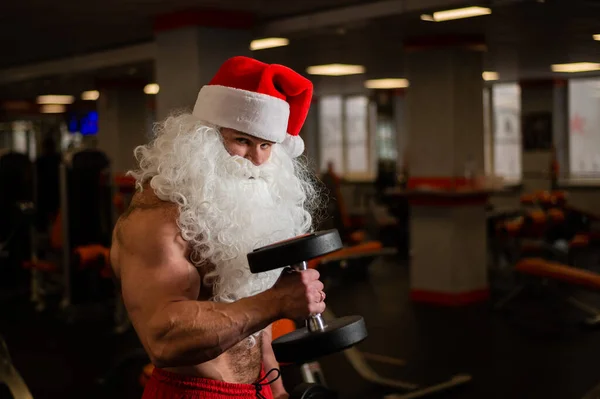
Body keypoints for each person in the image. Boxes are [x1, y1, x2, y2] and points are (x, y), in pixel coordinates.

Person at [110, 56, 326, 399]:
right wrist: (277, 300)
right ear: (203, 138)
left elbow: (257, 326)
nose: (256, 160)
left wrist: (277, 389)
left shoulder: (239, 212)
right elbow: (164, 340)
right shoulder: (157, 218)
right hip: (194, 391)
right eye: (242, 140)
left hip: (258, 388)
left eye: (266, 145)